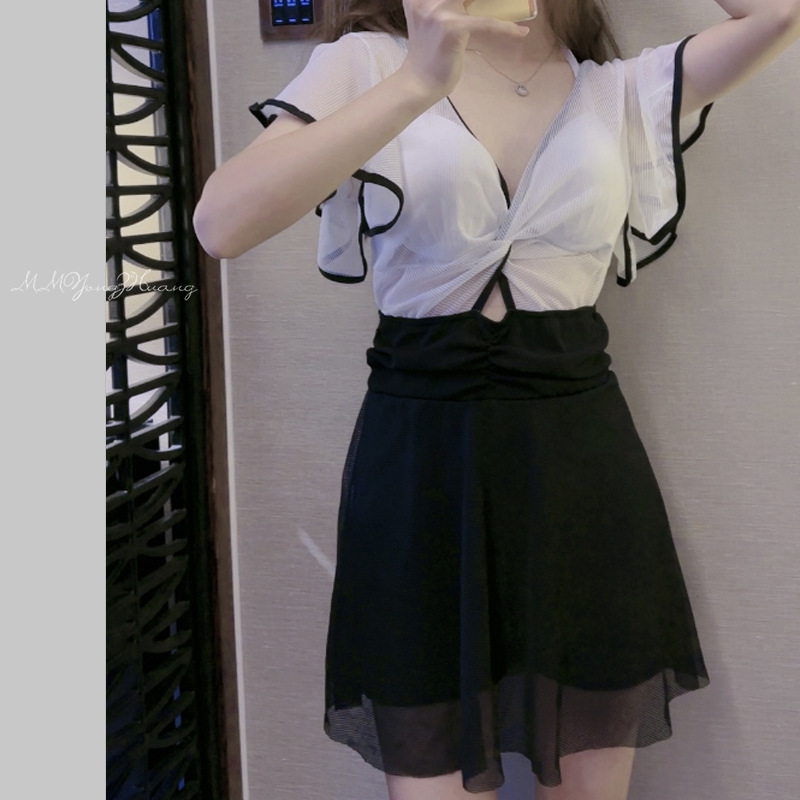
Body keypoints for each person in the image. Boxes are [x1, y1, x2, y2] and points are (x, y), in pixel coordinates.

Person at [193, 2, 800, 798]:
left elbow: (780, 14)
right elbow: (221, 224)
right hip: (420, 473)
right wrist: (418, 80)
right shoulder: (369, 64)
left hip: (581, 470)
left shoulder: (617, 90)